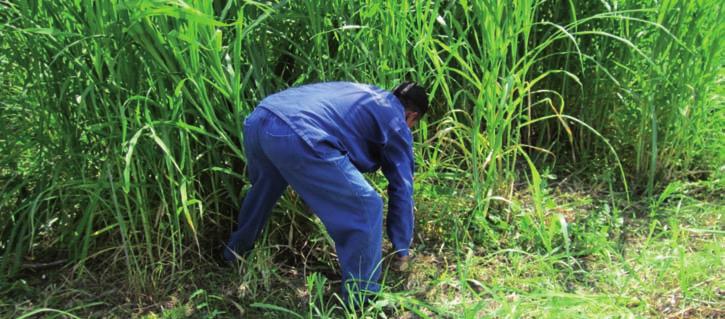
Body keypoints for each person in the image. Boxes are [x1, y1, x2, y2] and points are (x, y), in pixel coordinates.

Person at [223, 81, 428, 302]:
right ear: (412, 116)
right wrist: (402, 248)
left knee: (263, 190)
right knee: (366, 205)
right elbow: (402, 188)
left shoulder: (364, 92)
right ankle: (362, 297)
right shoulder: (397, 121)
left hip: (261, 118)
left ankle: (235, 255)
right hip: (298, 132)